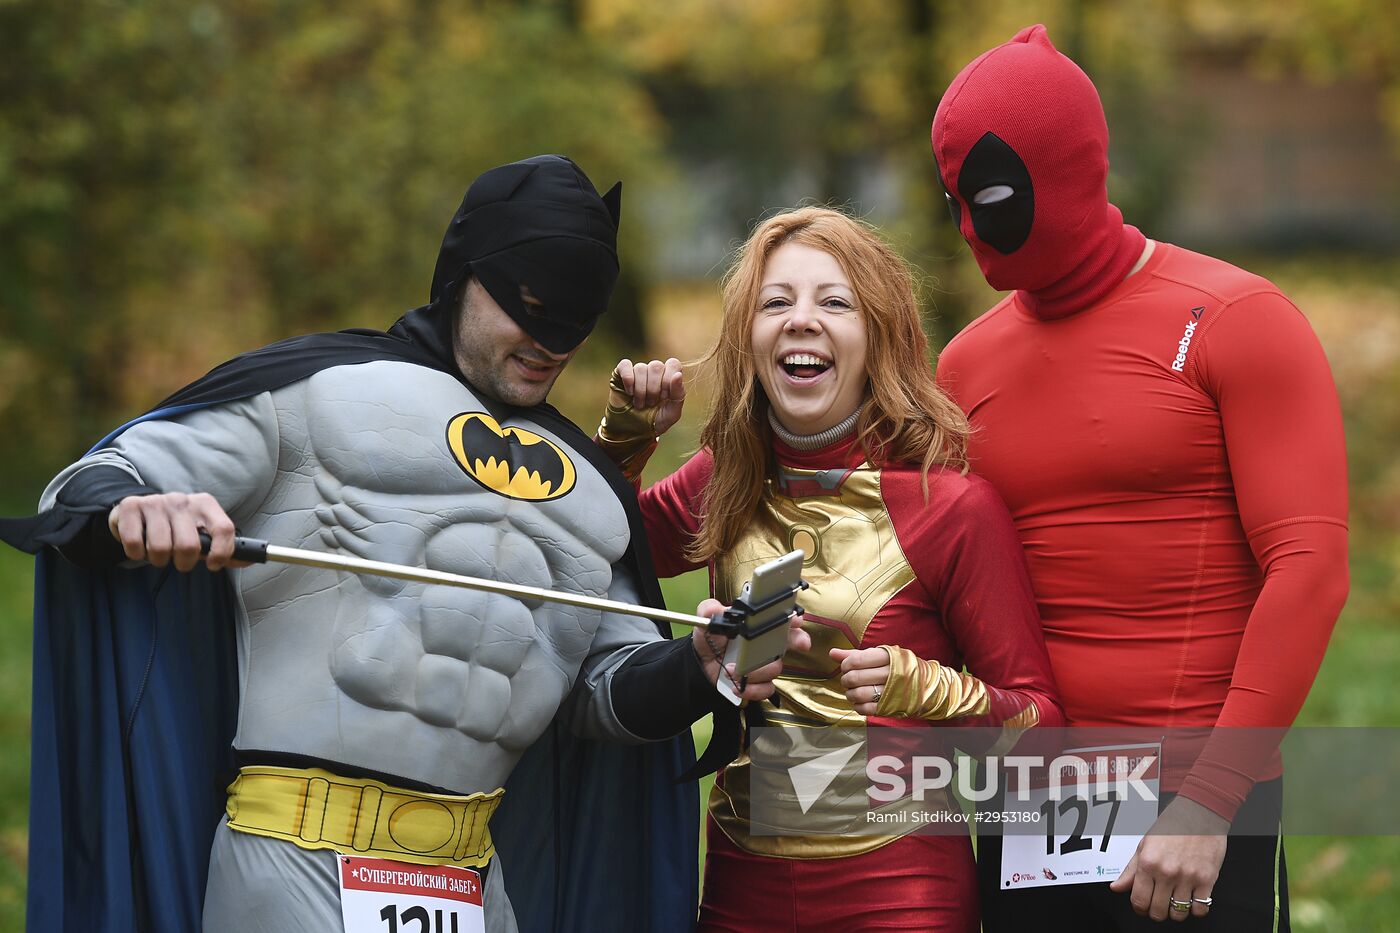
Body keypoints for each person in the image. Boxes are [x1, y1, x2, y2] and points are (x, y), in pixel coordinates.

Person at [0, 154, 806, 933]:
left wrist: (702, 664)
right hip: (294, 860)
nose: (547, 341)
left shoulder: (591, 488)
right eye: (525, 304)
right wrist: (138, 510)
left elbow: (605, 688)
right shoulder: (314, 392)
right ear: (463, 272)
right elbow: (97, 478)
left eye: (573, 321)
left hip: (473, 881)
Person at [930, 26, 1348, 930]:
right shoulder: (961, 367)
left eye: (992, 198)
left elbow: (1310, 568)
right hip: (1030, 805)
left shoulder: (1240, 320)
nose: (969, 228)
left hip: (1194, 805)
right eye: (954, 199)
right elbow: (935, 578)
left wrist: (1211, 799)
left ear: (1069, 172)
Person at [595, 206, 1063, 931]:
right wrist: (624, 436)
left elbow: (1040, 727)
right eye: (775, 302)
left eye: (834, 302)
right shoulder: (723, 481)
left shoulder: (952, 507)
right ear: (747, 337)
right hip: (739, 880)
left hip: (900, 886)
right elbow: (589, 551)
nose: (801, 320)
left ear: (879, 335)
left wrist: (922, 685)